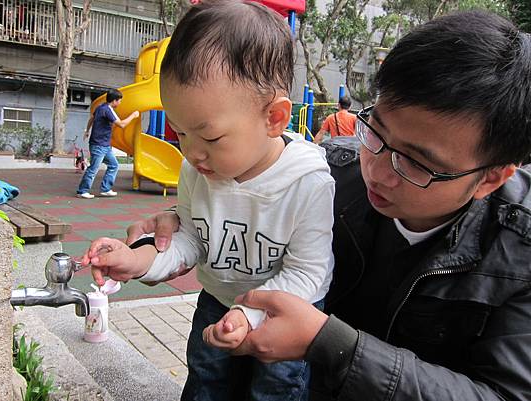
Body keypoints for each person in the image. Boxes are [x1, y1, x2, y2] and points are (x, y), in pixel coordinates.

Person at [125, 11, 531, 401]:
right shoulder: (330, 174)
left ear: (492, 177)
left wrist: (333, 345)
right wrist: (184, 221)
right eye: (375, 131)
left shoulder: (521, 253)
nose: (379, 171)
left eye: (417, 163)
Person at [82, 1, 336, 400]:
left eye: (211, 137)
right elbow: (188, 241)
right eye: (181, 134)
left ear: (274, 119)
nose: (192, 154)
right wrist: (139, 259)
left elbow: (309, 273)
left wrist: (249, 313)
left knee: (276, 392)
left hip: (285, 315)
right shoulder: (198, 170)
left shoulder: (307, 181)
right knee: (205, 383)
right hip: (217, 302)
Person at [76, 89, 139, 199]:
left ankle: (105, 189)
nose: (120, 103)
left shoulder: (100, 107)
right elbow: (122, 125)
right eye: (119, 101)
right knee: (93, 169)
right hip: (99, 145)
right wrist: (133, 115)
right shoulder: (107, 110)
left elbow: (92, 118)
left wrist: (87, 130)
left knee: (114, 165)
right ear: (114, 101)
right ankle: (82, 191)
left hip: (104, 145)